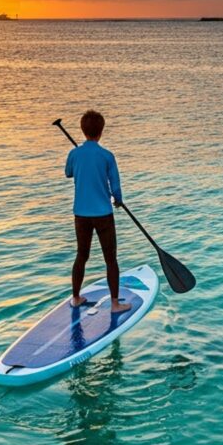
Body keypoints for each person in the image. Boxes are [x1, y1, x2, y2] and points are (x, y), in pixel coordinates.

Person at [65, 109, 131, 313]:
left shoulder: (74, 154)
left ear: (82, 130)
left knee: (81, 255)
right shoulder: (107, 156)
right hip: (103, 214)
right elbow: (116, 186)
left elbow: (68, 173)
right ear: (101, 131)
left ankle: (76, 298)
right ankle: (114, 304)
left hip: (81, 215)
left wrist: (81, 160)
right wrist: (118, 201)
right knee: (110, 259)